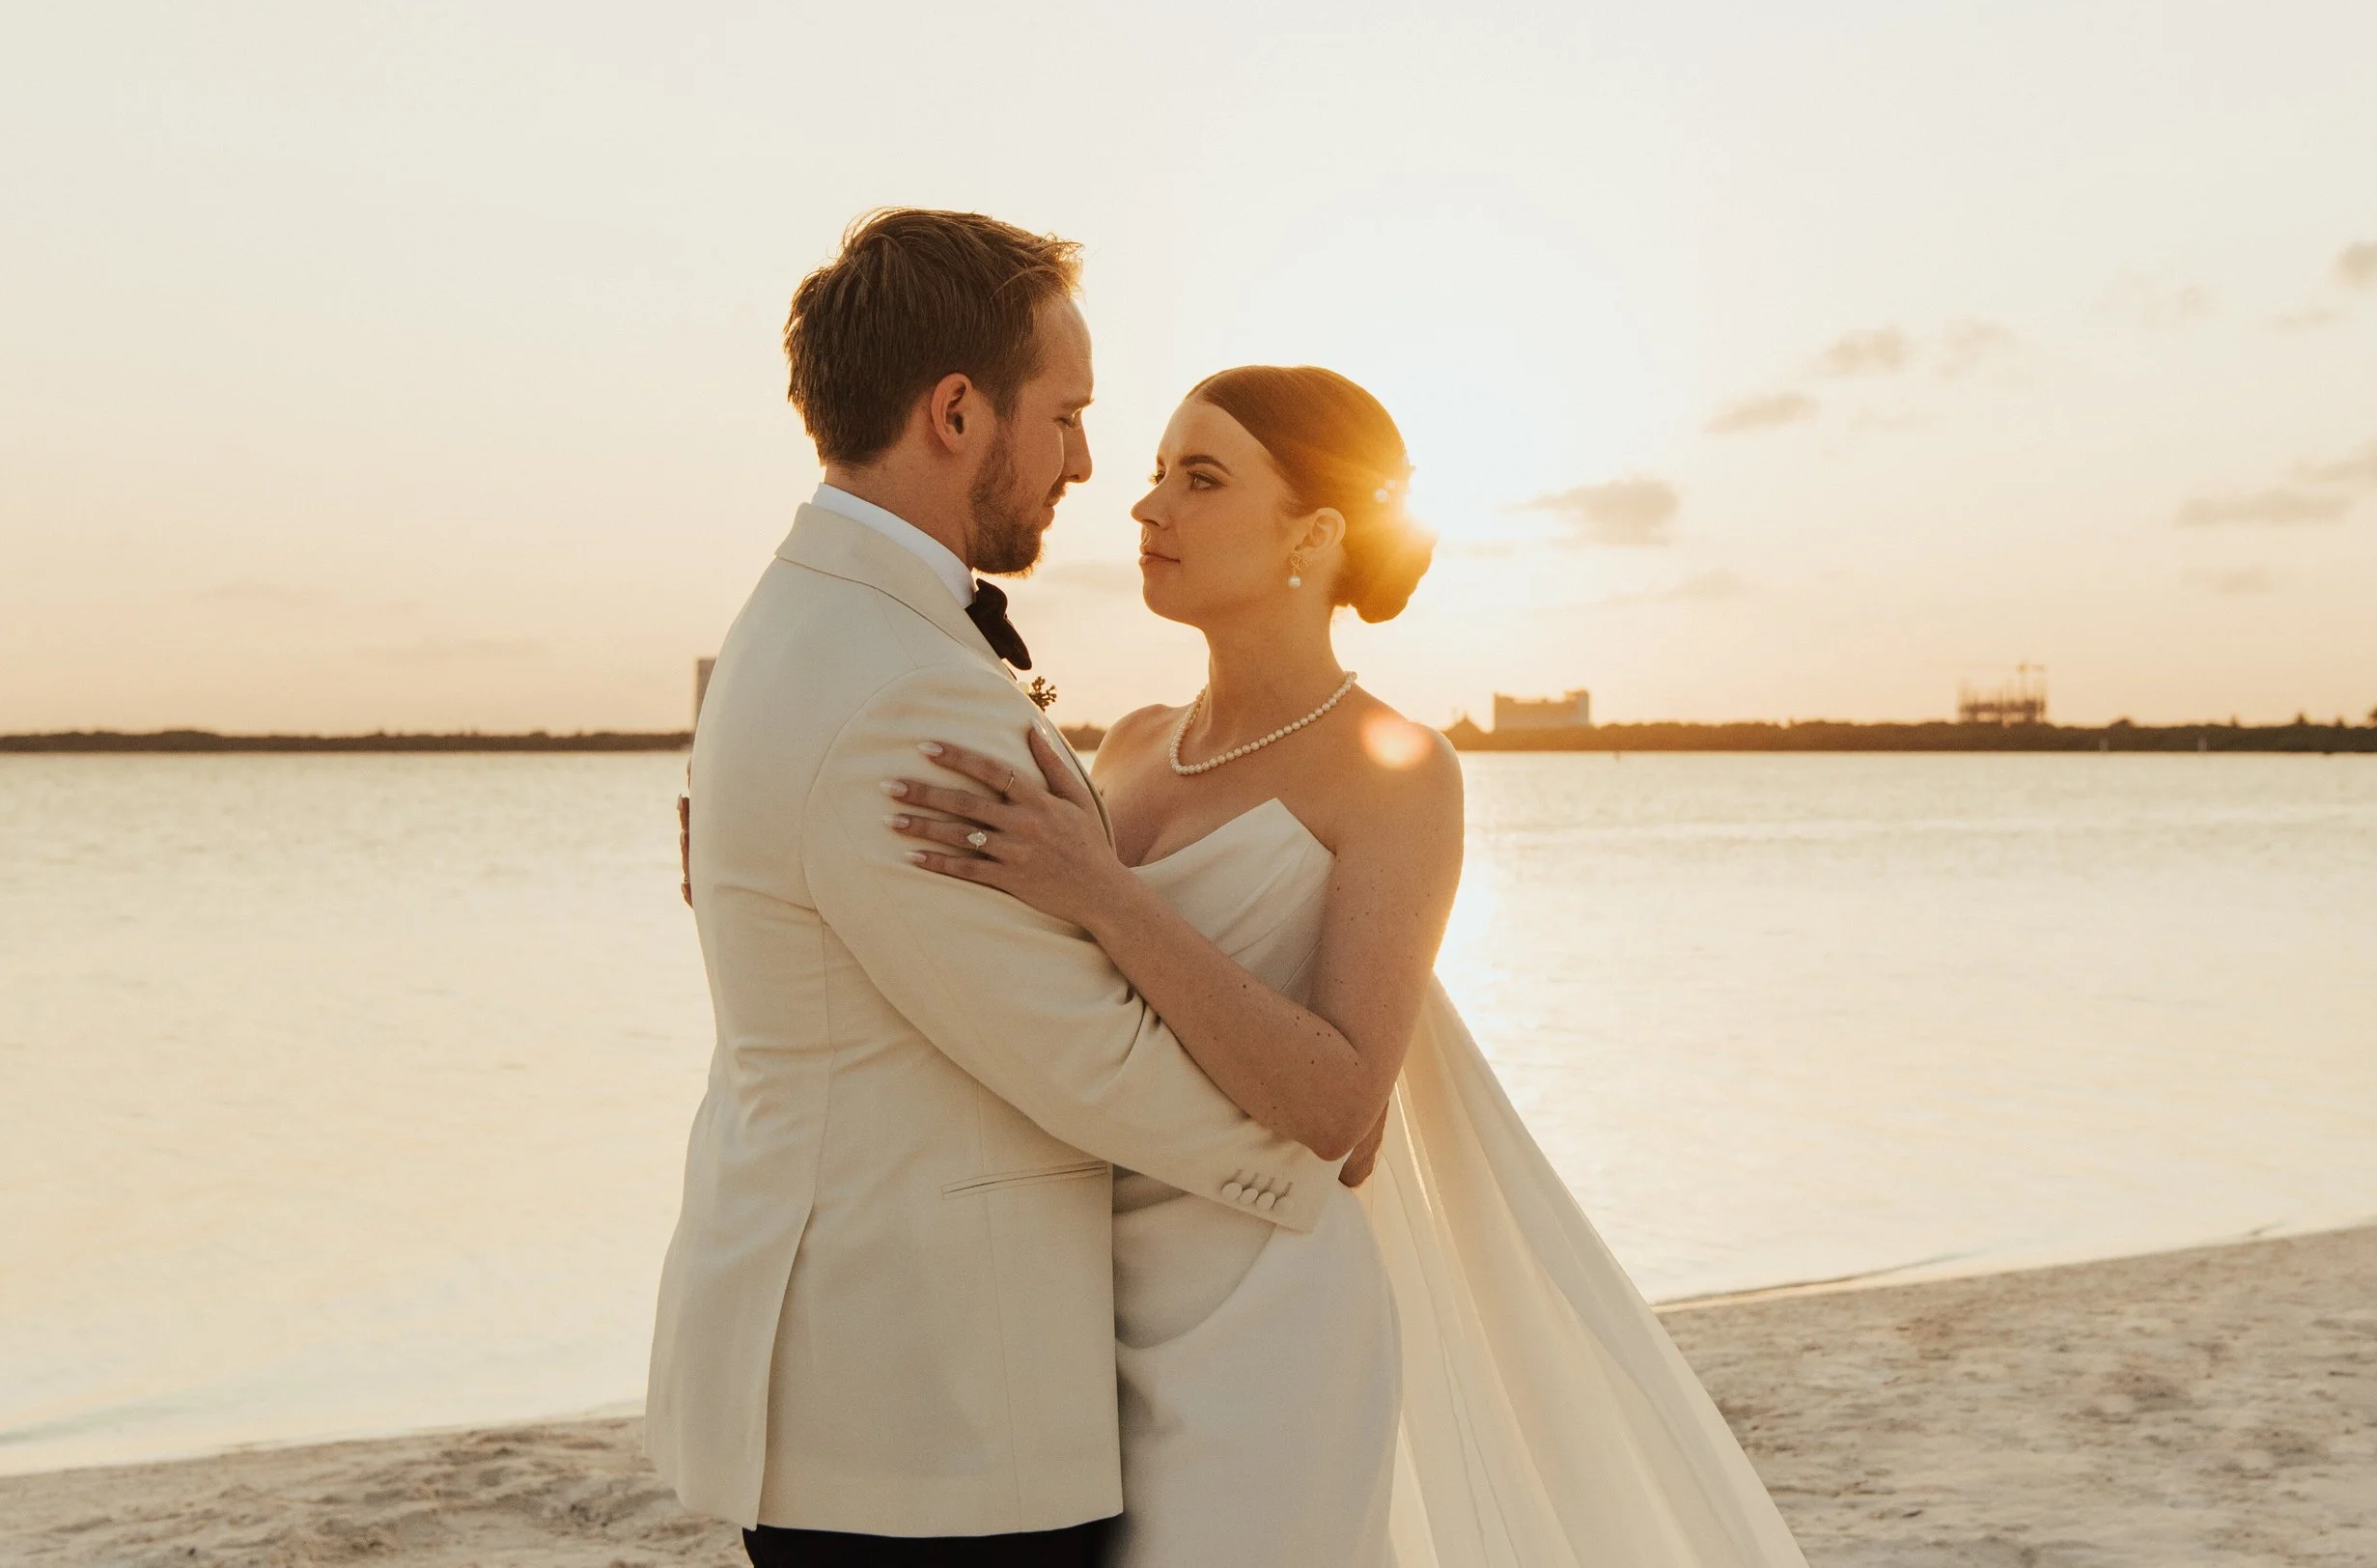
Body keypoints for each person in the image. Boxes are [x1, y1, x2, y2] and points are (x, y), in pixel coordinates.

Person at [887, 366, 1813, 1567]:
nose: (1146, 507)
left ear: (1314, 534)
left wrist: (1103, 892)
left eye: (1201, 477)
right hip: (1077, 1305)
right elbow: (1020, 981)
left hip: (1266, 1328)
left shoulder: (1397, 770)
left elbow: (1340, 1106)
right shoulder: (1126, 747)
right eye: (1157, 471)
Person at [646, 210, 1352, 1568]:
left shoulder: (803, 621)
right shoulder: (901, 686)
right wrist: (1319, 1148)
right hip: (931, 1417)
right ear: (958, 411)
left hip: (857, 1392)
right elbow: (1081, 1051)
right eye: (1068, 416)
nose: (1089, 463)